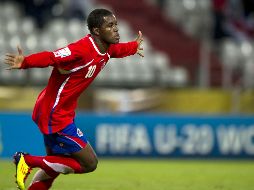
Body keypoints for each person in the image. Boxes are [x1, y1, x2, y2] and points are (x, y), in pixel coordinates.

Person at [4, 8, 144, 190]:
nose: (116, 29)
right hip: (55, 112)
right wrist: (26, 62)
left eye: (116, 24)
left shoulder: (106, 49)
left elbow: (117, 50)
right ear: (96, 31)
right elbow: (51, 57)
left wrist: (134, 47)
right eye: (110, 25)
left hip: (58, 109)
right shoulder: (81, 50)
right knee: (89, 163)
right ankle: (26, 160)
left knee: (54, 165)